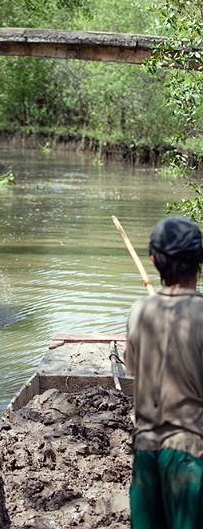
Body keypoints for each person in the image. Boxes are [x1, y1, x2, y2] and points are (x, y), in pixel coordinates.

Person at [126, 215, 203, 529]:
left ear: (154, 261)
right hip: (190, 457)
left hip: (146, 455)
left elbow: (135, 372)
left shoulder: (139, 312)